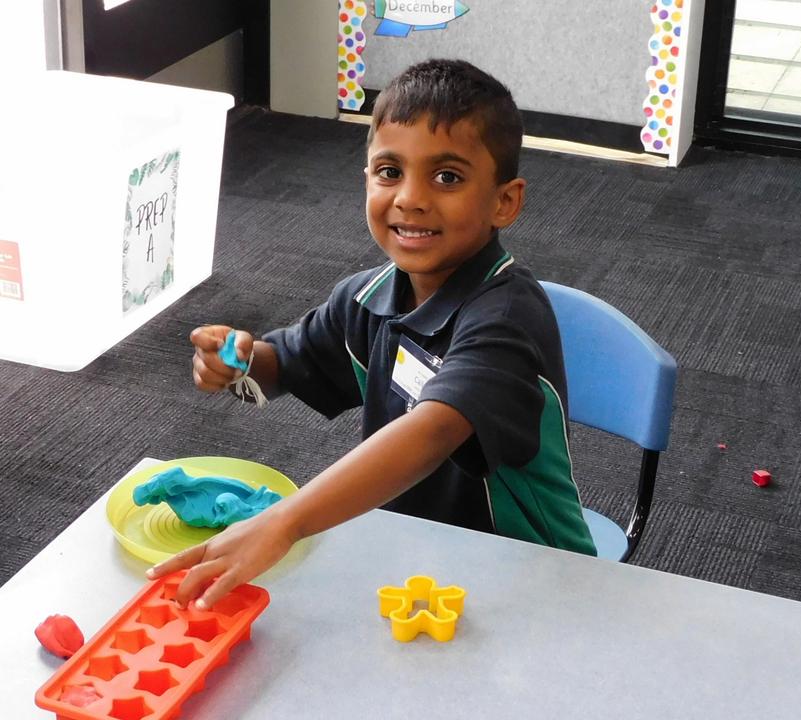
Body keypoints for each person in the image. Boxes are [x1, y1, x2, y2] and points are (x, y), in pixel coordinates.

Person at [152, 59, 596, 609]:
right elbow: (287, 361)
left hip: (529, 573)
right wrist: (238, 360)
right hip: (417, 554)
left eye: (448, 176)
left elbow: (433, 431)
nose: (410, 197)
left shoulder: (506, 317)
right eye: (390, 171)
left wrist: (286, 523)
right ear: (366, 178)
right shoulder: (368, 296)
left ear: (504, 201)